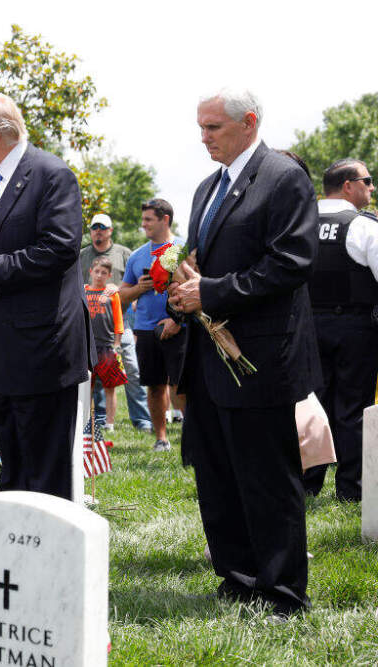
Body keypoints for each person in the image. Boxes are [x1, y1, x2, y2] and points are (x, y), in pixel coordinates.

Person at [169, 89, 319, 617]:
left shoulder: (282, 177)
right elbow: (202, 263)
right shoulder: (208, 187)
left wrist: (212, 292)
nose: (203, 137)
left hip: (260, 358)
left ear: (248, 122)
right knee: (218, 474)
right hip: (209, 358)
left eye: (213, 127)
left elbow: (292, 262)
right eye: (200, 127)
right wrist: (183, 289)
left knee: (266, 478)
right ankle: (237, 578)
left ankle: (281, 592)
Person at [0, 92, 91, 499]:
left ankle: (48, 559)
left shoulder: (51, 175)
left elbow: (58, 250)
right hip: (1, 352)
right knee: (16, 469)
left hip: (41, 350)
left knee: (44, 474)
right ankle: (17, 556)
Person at [304, 158, 378, 502]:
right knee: (353, 409)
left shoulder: (298, 224)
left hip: (306, 327)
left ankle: (307, 483)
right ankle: (351, 489)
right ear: (348, 185)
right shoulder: (364, 226)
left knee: (310, 406)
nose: (371, 187)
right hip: (354, 327)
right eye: (367, 180)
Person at [119, 199, 187, 453]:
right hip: (147, 330)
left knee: (182, 385)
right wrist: (140, 287)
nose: (143, 224)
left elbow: (196, 286)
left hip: (180, 327)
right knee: (155, 385)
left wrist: (177, 320)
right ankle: (161, 439)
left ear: (165, 219)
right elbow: (122, 296)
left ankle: (191, 436)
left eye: (149, 219)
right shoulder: (137, 256)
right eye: (144, 219)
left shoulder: (182, 248)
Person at [80, 213, 152, 432]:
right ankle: (99, 419)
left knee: (131, 369)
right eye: (94, 227)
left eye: (103, 227)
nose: (98, 231)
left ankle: (142, 419)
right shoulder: (82, 255)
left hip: (122, 320)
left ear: (110, 230)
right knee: (93, 375)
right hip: (93, 324)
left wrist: (118, 290)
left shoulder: (125, 254)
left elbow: (138, 283)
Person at [85, 257, 125, 429]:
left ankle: (109, 422)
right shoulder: (83, 291)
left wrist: (117, 344)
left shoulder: (112, 294)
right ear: (90, 272)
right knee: (87, 386)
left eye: (104, 273)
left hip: (107, 346)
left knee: (110, 387)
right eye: (97, 271)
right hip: (87, 346)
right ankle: (87, 420)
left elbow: (118, 320)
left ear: (109, 275)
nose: (99, 275)